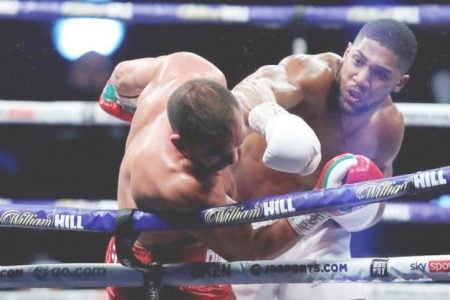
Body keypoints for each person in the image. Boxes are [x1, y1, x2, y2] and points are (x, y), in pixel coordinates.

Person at [99, 52, 361, 300]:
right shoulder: (182, 185)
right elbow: (252, 249)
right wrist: (320, 204)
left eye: (236, 145)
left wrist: (121, 100)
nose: (233, 160)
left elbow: (121, 75)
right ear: (181, 145)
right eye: (217, 156)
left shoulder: (190, 67)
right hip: (157, 268)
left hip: (194, 249)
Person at [231, 18, 417, 299]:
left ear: (399, 83)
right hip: (248, 223)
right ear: (346, 52)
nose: (361, 79)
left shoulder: (386, 126)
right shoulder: (312, 74)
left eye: (380, 74)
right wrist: (274, 120)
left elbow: (377, 202)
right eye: (358, 61)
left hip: (316, 235)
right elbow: (246, 92)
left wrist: (359, 210)